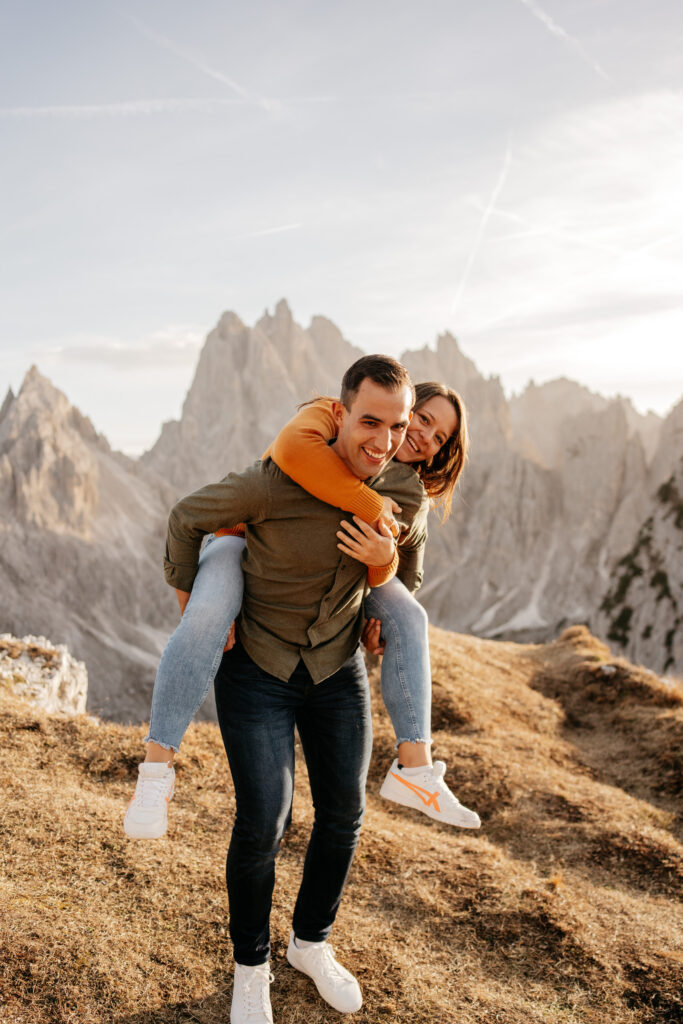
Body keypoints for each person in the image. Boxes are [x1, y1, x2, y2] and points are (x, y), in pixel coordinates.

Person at [159, 356, 426, 1022]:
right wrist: (195, 601)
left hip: (337, 673)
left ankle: (310, 944)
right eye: (370, 421)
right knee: (263, 824)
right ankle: (250, 968)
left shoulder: (394, 490)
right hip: (259, 673)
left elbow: (406, 567)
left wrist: (381, 577)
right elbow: (187, 516)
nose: (383, 439)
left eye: (395, 426)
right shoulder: (273, 482)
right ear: (339, 414)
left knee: (343, 817)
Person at [123, 380, 480, 840]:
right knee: (207, 617)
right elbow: (292, 451)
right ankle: (154, 776)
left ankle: (416, 768)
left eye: (440, 437)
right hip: (240, 537)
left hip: (330, 627)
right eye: (423, 420)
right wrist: (370, 504)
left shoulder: (409, 492)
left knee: (412, 616)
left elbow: (406, 573)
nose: (424, 436)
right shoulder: (323, 428)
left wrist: (382, 576)